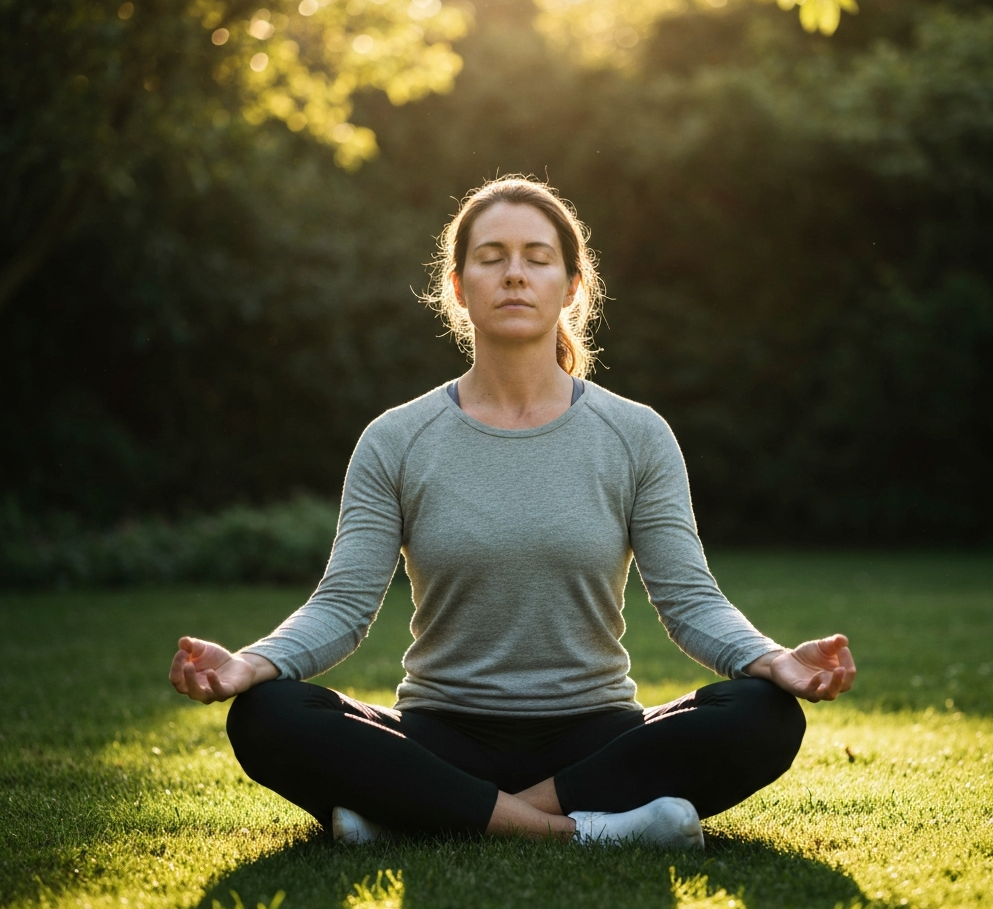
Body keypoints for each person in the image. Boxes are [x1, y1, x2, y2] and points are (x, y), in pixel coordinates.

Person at [168, 177, 856, 849]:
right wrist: (251, 665)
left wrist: (772, 661)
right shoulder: (396, 439)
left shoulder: (637, 434)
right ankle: (586, 830)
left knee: (762, 713)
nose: (515, 275)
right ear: (460, 288)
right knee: (269, 714)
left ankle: (417, 813)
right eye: (492, 258)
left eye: (537, 258)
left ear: (571, 285)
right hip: (440, 733)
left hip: (593, 735)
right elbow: (343, 606)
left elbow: (689, 602)